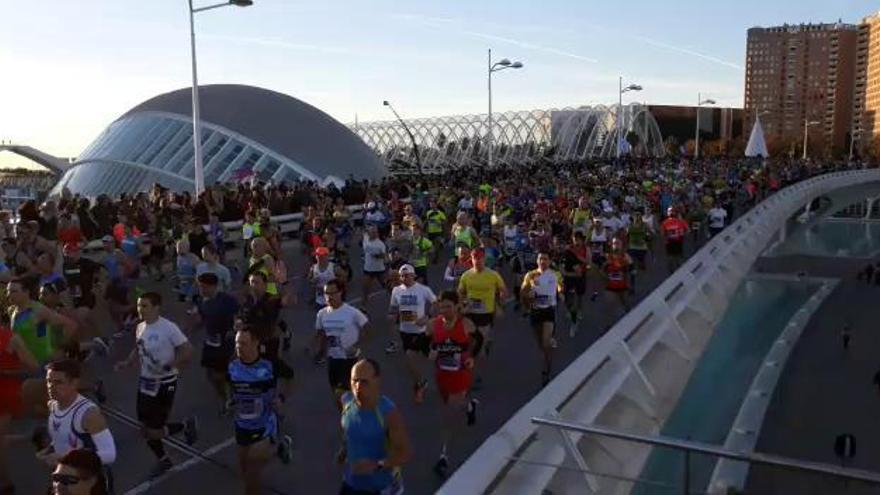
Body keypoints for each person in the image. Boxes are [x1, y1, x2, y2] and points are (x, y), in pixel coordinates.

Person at [113, 292, 198, 478]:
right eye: (138, 306)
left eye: (144, 306)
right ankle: (164, 459)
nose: (140, 310)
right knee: (144, 429)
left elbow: (188, 350)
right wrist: (127, 362)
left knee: (154, 431)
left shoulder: (168, 328)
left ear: (156, 307)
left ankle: (184, 426)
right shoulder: (140, 327)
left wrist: (171, 365)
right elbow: (139, 347)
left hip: (164, 384)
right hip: (146, 383)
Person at [228, 326, 294, 495]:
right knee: (243, 469)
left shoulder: (270, 364)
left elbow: (291, 378)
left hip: (265, 424)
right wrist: (232, 401)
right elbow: (233, 388)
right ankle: (280, 448)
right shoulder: (232, 365)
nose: (239, 348)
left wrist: (281, 399)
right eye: (237, 344)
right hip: (242, 425)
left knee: (252, 471)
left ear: (256, 343)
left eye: (243, 343)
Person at [338, 359, 411, 495]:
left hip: (379, 487)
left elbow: (404, 453)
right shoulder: (347, 402)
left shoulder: (388, 413)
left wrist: (377, 465)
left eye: (364, 382)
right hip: (350, 482)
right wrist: (343, 452)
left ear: (377, 381)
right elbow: (348, 431)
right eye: (355, 381)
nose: (358, 387)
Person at [429, 290, 477, 477]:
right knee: (451, 405)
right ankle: (470, 406)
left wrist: (471, 357)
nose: (445, 310)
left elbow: (476, 341)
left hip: (460, 375)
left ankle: (444, 455)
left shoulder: (465, 324)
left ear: (457, 306)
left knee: (449, 416)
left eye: (448, 306)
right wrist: (430, 352)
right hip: (442, 375)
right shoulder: (434, 325)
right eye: (442, 307)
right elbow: (425, 344)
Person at [39, 360, 116, 472]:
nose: (51, 386)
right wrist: (49, 450)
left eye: (58, 382)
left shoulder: (89, 414)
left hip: (88, 480)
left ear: (74, 383)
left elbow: (109, 454)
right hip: (64, 476)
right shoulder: (53, 405)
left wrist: (63, 458)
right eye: (49, 381)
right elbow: (64, 438)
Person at [315, 280, 369, 409]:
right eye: (326, 294)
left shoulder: (352, 312)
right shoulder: (322, 314)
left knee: (343, 394)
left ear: (340, 293)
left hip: (350, 360)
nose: (329, 297)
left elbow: (369, 330)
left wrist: (357, 346)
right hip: (333, 360)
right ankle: (349, 420)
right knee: (338, 395)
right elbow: (322, 334)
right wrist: (321, 351)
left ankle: (357, 417)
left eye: (332, 293)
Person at [387, 264, 437, 403]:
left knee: (432, 357)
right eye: (402, 276)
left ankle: (450, 372)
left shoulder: (423, 289)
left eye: (407, 275)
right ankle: (420, 384)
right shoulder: (396, 290)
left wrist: (427, 317)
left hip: (422, 331)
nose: (404, 278)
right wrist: (391, 315)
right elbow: (393, 308)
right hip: (405, 331)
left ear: (413, 275)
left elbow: (436, 304)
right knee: (410, 359)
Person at [458, 248, 507, 386]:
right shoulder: (466, 276)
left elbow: (503, 291)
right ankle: (470, 372)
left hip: (486, 315)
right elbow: (460, 293)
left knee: (479, 348)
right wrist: (463, 304)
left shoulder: (493, 275)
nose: (477, 261)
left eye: (480, 258)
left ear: (484, 259)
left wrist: (500, 303)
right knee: (469, 345)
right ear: (471, 260)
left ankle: (477, 376)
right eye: (475, 258)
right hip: (470, 314)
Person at [0, 322, 39, 495]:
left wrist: (5, 373)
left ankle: (6, 484)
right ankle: (32, 437)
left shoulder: (10, 338)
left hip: (6, 395)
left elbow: (33, 368)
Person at [195, 272, 240, 414]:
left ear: (213, 286)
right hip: (210, 342)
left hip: (226, 343)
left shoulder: (227, 301)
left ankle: (231, 397)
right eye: (200, 287)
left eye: (204, 287)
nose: (201, 290)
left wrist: (235, 330)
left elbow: (238, 317)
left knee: (223, 374)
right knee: (211, 375)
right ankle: (224, 397)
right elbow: (203, 318)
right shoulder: (201, 300)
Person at [521, 252, 564, 386]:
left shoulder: (555, 274)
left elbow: (561, 288)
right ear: (537, 261)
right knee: (541, 344)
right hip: (535, 311)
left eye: (545, 259)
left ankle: (546, 370)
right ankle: (548, 354)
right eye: (540, 259)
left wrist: (561, 293)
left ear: (550, 261)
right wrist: (528, 296)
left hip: (549, 311)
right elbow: (523, 292)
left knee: (545, 343)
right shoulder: (530, 275)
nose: (542, 261)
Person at [560, 232, 589, 333]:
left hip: (581, 275)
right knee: (567, 296)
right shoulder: (568, 250)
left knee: (580, 294)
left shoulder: (586, 249)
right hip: (570, 275)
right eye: (574, 239)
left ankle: (580, 309)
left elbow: (587, 262)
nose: (576, 241)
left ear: (582, 240)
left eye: (578, 239)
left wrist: (576, 255)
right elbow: (563, 262)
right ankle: (570, 310)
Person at [360, 225, 388, 309]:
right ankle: (363, 307)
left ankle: (397, 301)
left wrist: (377, 255)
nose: (373, 233)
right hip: (368, 269)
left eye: (375, 232)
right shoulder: (366, 237)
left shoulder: (380, 244)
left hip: (379, 269)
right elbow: (363, 232)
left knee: (387, 286)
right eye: (372, 232)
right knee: (365, 289)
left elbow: (385, 256)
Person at [660, 206, 689, 273]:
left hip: (673, 241)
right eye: (670, 211)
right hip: (674, 241)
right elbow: (688, 230)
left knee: (673, 256)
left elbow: (662, 233)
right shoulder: (667, 222)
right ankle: (675, 268)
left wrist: (682, 235)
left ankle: (674, 268)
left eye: (671, 211)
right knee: (674, 256)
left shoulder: (666, 222)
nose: (671, 213)